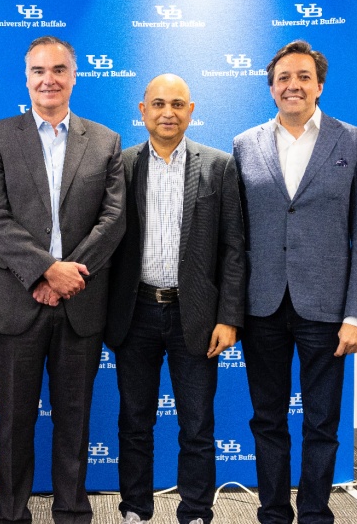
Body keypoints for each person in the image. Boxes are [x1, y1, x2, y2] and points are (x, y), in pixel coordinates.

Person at [0, 35, 125, 524]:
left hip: (80, 303)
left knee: (75, 419)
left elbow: (114, 218)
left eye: (59, 69)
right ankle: (12, 514)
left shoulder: (105, 141)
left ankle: (73, 512)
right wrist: (44, 270)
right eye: (39, 71)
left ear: (74, 76)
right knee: (14, 421)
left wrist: (68, 276)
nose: (49, 79)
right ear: (26, 78)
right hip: (16, 300)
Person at [232, 40, 357, 523]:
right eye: (283, 78)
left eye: (303, 77)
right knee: (267, 420)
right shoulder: (245, 144)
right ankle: (273, 513)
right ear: (271, 87)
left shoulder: (355, 142)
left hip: (329, 309)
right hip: (262, 306)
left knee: (322, 422)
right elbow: (237, 238)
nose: (293, 85)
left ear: (319, 84)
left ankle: (315, 513)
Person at [105, 74, 245, 524]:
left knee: (198, 425)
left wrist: (229, 317)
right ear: (142, 111)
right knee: (134, 422)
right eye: (159, 104)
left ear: (191, 110)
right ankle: (134, 510)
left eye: (178, 104)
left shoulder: (219, 166)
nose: (169, 112)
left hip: (197, 316)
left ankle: (197, 512)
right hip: (135, 312)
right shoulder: (121, 165)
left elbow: (234, 249)